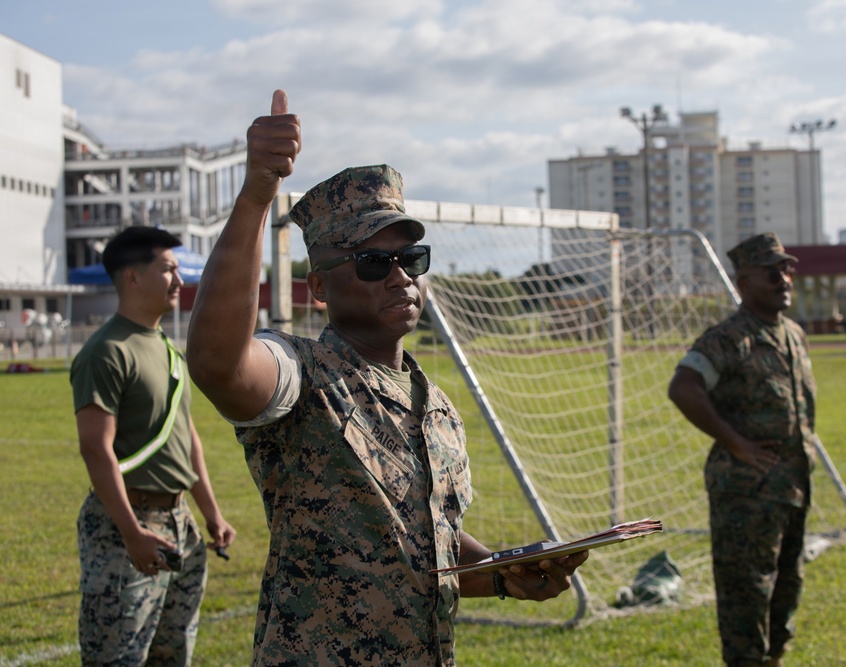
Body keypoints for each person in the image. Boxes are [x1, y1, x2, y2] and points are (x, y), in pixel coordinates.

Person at [186, 89, 588, 666]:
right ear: (319, 286)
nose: (400, 276)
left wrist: (503, 573)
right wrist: (256, 196)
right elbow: (218, 364)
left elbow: (422, 549)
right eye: (373, 263)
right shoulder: (304, 376)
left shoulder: (437, 406)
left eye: (411, 258)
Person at [71, 226, 237, 666]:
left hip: (178, 522)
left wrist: (210, 512)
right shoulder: (106, 351)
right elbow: (95, 449)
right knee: (117, 656)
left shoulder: (167, 349)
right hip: (128, 524)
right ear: (132, 277)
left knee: (172, 653)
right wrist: (131, 533)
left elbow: (186, 438)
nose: (179, 281)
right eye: (168, 270)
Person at [667, 232, 818, 667]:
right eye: (772, 272)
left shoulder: (793, 335)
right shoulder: (729, 338)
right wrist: (736, 442)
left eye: (788, 269)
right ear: (744, 282)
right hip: (746, 495)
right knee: (745, 600)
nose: (784, 279)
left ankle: (775, 659)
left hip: (791, 489)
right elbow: (683, 388)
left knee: (786, 589)